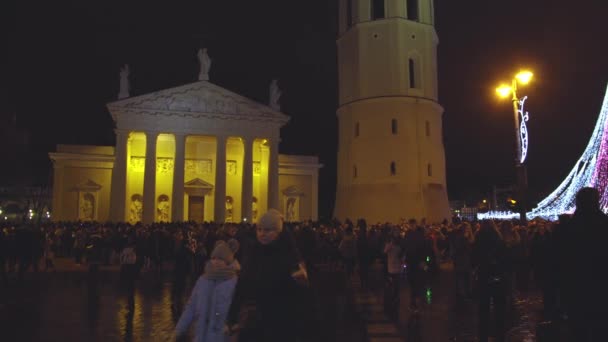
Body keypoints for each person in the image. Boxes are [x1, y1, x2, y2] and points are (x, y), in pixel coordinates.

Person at [225, 209, 309, 342]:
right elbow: (241, 287)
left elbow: (299, 295)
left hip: (278, 323)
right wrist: (232, 316)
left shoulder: (289, 257)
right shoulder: (252, 255)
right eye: (259, 229)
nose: (262, 234)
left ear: (278, 232)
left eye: (268, 230)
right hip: (252, 322)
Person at [558, 187, 608, 341]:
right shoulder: (604, 224)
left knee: (579, 331)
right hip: (601, 286)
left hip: (576, 287)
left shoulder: (567, 228)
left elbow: (560, 260)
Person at [174, 241, 239, 342]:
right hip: (201, 335)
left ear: (228, 261)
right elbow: (191, 306)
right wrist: (179, 329)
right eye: (214, 258)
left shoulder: (234, 282)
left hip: (222, 336)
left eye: (220, 259)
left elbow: (238, 311)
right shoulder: (203, 280)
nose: (216, 262)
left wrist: (232, 328)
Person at [473, 220, 507, 342]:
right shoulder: (499, 240)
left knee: (483, 308)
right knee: (499, 307)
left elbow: (474, 258)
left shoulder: (478, 239)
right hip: (498, 276)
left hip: (484, 276)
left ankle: (483, 335)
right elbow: (505, 259)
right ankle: (500, 333)